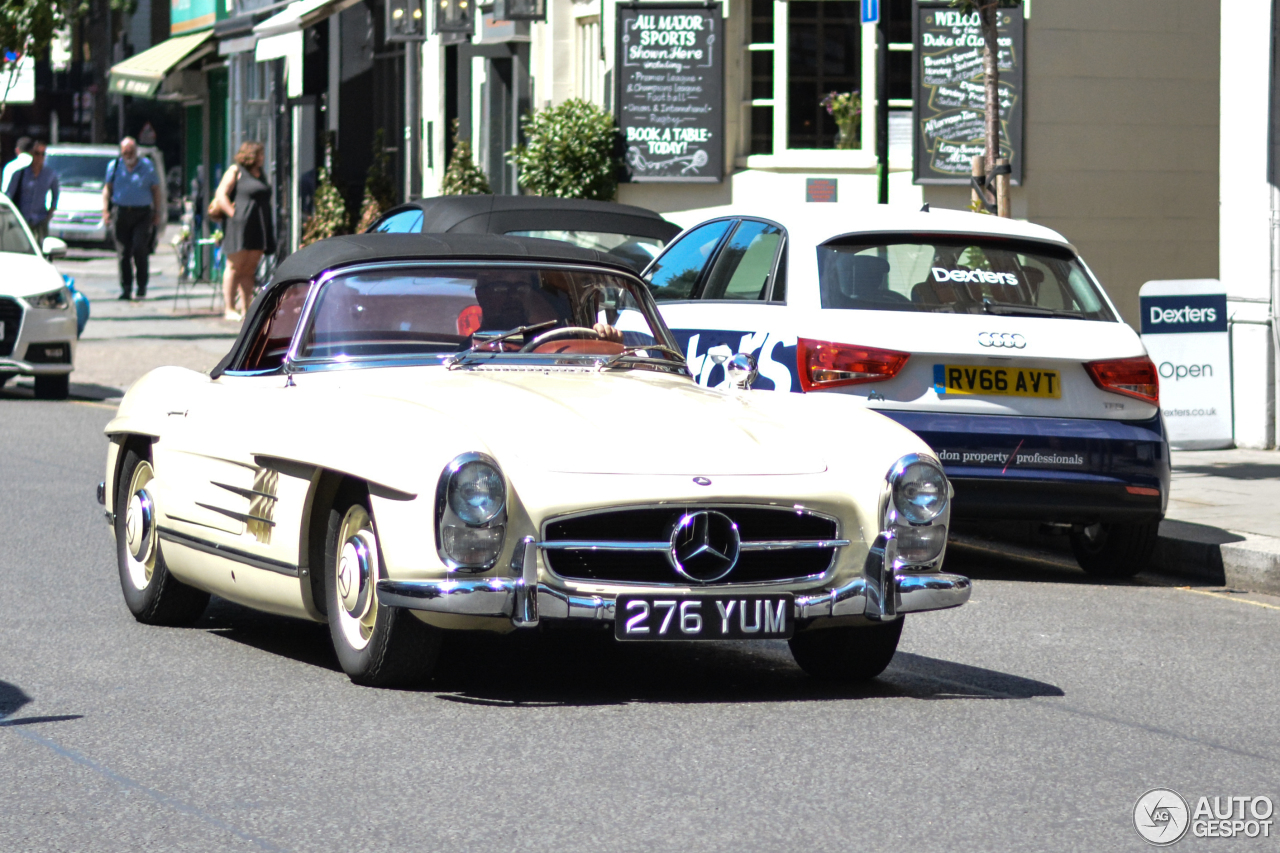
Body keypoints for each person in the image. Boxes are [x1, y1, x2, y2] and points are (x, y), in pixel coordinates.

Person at [213, 141, 275, 322]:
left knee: (249, 269)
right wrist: (234, 215)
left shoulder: (260, 173)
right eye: (260, 154)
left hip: (258, 224)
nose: (263, 158)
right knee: (234, 267)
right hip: (240, 225)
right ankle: (229, 308)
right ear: (251, 155)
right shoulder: (236, 170)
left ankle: (247, 308)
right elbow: (221, 194)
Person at [102, 137, 162, 301]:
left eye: (131, 151)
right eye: (125, 152)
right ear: (121, 152)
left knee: (139, 248)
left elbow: (156, 190)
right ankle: (126, 288)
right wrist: (105, 211)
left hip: (142, 213)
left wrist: (157, 212)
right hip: (121, 212)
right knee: (123, 253)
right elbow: (107, 190)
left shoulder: (147, 166)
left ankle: (142, 286)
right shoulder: (114, 166)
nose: (128, 155)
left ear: (136, 151)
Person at [5, 139, 59, 244]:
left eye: (43, 154)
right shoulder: (20, 173)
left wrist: (50, 212)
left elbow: (55, 195)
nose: (40, 157)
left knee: (41, 248)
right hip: (21, 220)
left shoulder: (50, 174)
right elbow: (9, 196)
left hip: (40, 219)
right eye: (37, 153)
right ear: (31, 154)